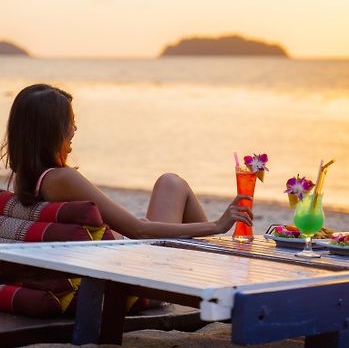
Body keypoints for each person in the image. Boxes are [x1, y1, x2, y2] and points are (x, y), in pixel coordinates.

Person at [0, 84, 253, 239]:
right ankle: (220, 259)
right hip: (136, 269)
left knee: (170, 184)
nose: (74, 128)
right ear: (51, 130)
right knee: (172, 183)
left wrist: (133, 228)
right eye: (70, 121)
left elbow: (120, 228)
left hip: (122, 253)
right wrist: (218, 225)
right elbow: (138, 232)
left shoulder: (27, 179)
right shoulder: (62, 179)